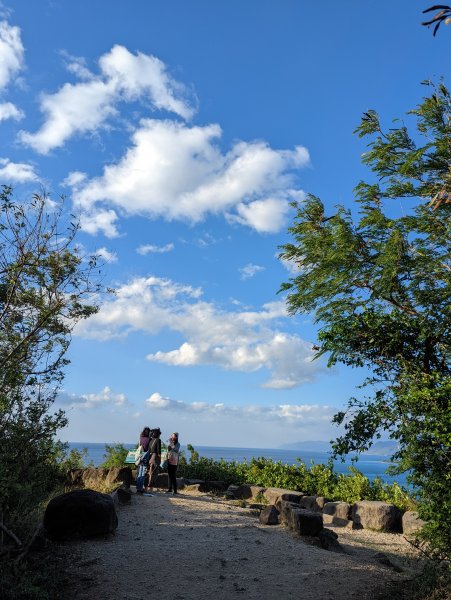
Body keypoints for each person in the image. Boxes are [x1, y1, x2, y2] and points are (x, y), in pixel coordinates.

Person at [136, 426, 152, 494]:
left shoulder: (141, 438)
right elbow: (150, 449)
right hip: (146, 458)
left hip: (140, 457)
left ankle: (138, 488)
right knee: (143, 474)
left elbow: (139, 446)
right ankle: (140, 489)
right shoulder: (149, 439)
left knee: (139, 473)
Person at [145, 427, 161, 494]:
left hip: (150, 458)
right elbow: (159, 451)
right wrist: (160, 460)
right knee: (154, 474)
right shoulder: (158, 440)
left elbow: (149, 450)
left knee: (149, 473)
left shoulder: (151, 440)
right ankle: (150, 489)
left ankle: (146, 488)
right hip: (155, 458)